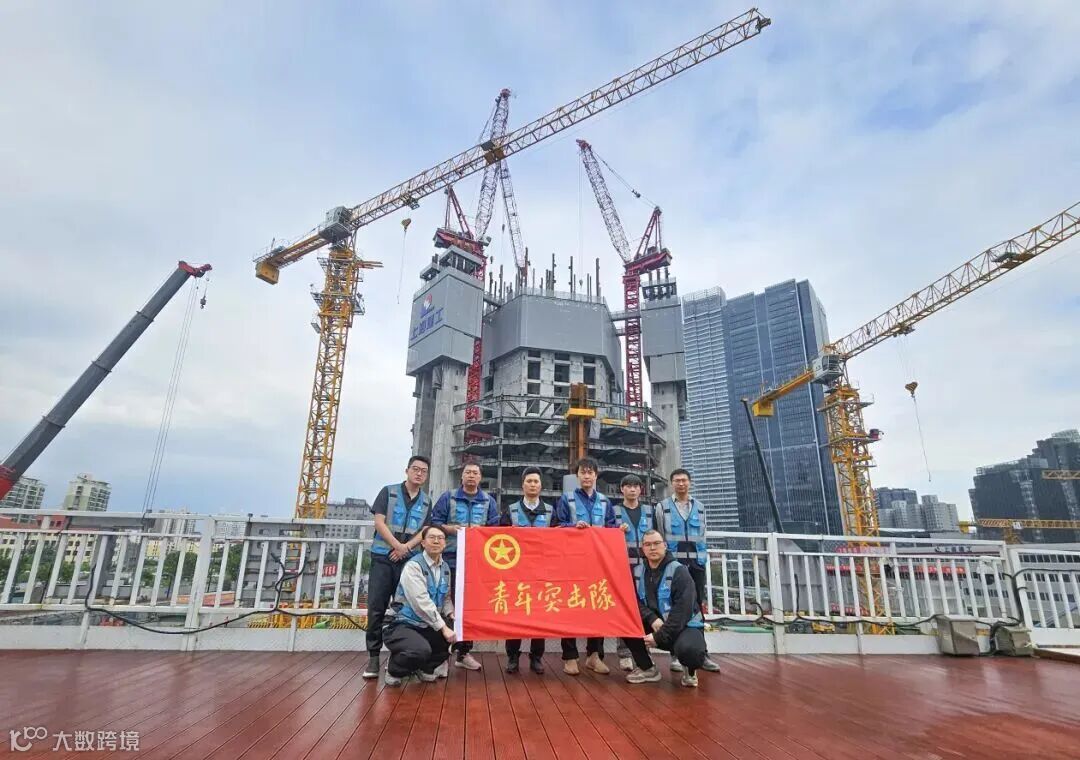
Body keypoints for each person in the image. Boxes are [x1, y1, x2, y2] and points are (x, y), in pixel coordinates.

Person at [362, 455, 433, 680]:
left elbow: (424, 531)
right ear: (407, 470)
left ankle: (401, 655)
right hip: (383, 558)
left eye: (423, 471)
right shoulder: (389, 492)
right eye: (415, 469)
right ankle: (373, 656)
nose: (419, 473)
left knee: (407, 609)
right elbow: (379, 522)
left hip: (408, 561)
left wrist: (406, 548)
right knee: (376, 607)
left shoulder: (426, 501)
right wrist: (397, 545)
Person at [431, 462, 500, 671]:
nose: (471, 476)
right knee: (445, 604)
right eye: (467, 472)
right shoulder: (448, 497)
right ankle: (441, 654)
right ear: (461, 476)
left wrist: (482, 531)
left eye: (475, 473)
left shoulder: (489, 501)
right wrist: (450, 529)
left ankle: (463, 653)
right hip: (450, 560)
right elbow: (435, 522)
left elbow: (495, 529)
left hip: (476, 563)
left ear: (480, 477)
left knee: (469, 607)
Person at [654, 468, 722, 674]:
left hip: (696, 564)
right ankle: (675, 654)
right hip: (674, 565)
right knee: (673, 606)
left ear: (690, 483)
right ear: (671, 483)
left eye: (684, 480)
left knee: (698, 606)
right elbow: (659, 534)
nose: (681, 484)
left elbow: (703, 532)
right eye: (677, 480)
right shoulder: (662, 507)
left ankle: (702, 653)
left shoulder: (699, 507)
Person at [553, 456, 616, 675]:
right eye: (583, 472)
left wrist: (619, 531)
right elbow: (557, 526)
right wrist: (573, 526)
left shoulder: (605, 502)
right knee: (569, 607)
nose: (587, 476)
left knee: (598, 607)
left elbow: (611, 529)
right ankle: (570, 657)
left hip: (598, 564)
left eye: (590, 472)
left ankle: (594, 655)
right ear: (577, 475)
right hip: (572, 562)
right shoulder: (567, 498)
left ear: (596, 475)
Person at [622, 530, 708, 687]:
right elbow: (633, 602)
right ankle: (647, 668)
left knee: (691, 651)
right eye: (647, 544)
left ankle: (690, 670)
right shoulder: (637, 572)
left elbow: (682, 612)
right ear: (642, 549)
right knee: (624, 622)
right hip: (656, 624)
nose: (652, 548)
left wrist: (659, 636)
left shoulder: (679, 571)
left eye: (656, 543)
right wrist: (651, 618)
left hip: (683, 627)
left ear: (665, 546)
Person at [381, 525, 456, 686]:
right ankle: (394, 669)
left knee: (458, 632)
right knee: (419, 650)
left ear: (445, 544)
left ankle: (425, 668)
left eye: (440, 538)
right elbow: (421, 602)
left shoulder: (445, 568)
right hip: (402, 623)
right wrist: (443, 627)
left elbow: (446, 598)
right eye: (432, 537)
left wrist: (451, 613)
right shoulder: (414, 566)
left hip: (427, 624)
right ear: (423, 543)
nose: (436, 541)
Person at [500, 466, 555, 675]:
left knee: (539, 614)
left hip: (542, 572)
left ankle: (536, 657)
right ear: (522, 485)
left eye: (536, 481)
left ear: (541, 486)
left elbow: (560, 538)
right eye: (529, 481)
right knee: (515, 614)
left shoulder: (550, 511)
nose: (532, 485)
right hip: (516, 572)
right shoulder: (511, 510)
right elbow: (499, 536)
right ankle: (513, 656)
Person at [613, 473, 656, 672]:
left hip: (646, 567)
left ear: (640, 489)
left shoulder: (649, 511)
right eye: (628, 486)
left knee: (644, 606)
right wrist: (616, 531)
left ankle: (645, 649)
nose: (632, 489)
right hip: (622, 567)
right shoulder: (614, 511)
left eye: (635, 486)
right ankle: (624, 652)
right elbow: (606, 533)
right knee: (624, 607)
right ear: (622, 489)